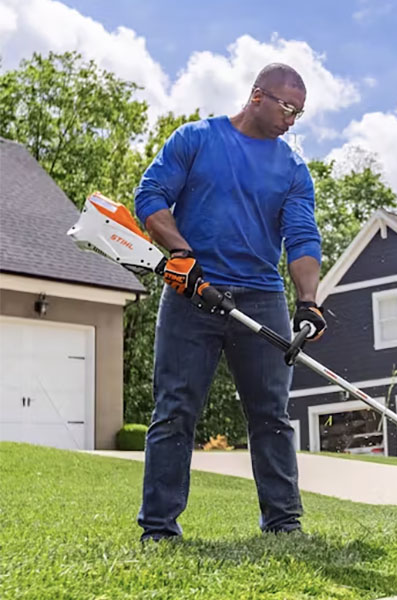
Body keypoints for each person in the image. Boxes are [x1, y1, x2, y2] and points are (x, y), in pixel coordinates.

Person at [133, 63, 326, 542]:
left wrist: (308, 301)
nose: (292, 120)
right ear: (257, 96)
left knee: (271, 415)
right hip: (191, 293)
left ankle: (283, 523)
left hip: (260, 298)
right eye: (286, 107)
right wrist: (180, 251)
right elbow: (150, 196)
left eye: (299, 113)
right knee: (175, 409)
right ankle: (159, 528)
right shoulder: (197, 139)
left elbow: (301, 237)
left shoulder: (293, 169)